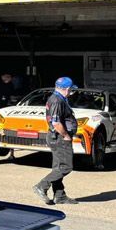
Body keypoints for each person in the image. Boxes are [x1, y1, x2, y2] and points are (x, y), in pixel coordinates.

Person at [32, 77, 80, 206]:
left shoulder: (58, 99)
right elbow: (56, 122)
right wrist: (66, 135)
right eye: (71, 90)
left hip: (57, 137)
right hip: (60, 138)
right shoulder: (57, 101)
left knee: (58, 168)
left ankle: (60, 196)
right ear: (67, 89)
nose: (72, 92)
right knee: (66, 167)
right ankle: (41, 186)